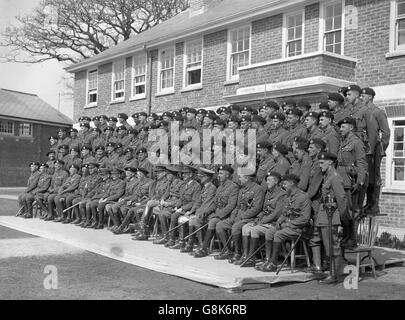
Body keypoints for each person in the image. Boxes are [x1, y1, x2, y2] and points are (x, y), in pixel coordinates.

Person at [259, 174, 311, 272]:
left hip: (298, 228)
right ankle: (268, 260)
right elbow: (284, 213)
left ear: (292, 184)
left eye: (285, 184)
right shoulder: (288, 197)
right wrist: (279, 222)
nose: (283, 186)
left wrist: (287, 224)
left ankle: (273, 264)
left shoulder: (304, 197)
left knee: (278, 234)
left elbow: (305, 218)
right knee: (270, 232)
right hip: (286, 227)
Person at [215, 171, 265, 264]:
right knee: (220, 225)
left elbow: (256, 208)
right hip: (238, 217)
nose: (239, 179)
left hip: (250, 218)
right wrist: (233, 216)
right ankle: (228, 250)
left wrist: (241, 217)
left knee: (236, 227)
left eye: (240, 177)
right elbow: (237, 206)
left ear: (247, 178)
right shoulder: (242, 189)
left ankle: (237, 253)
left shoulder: (258, 189)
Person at [314, 152, 348, 284]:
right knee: (328, 246)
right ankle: (331, 272)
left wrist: (341, 218)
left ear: (330, 163)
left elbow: (341, 198)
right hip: (324, 215)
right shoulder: (327, 176)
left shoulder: (334, 177)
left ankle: (334, 275)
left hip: (331, 216)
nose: (320, 165)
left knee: (332, 246)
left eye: (322, 163)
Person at [241, 171, 286, 268]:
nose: (267, 182)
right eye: (267, 180)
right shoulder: (268, 194)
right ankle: (247, 256)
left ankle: (262, 258)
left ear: (276, 181)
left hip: (273, 223)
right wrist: (258, 218)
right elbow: (264, 210)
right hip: (265, 221)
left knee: (254, 230)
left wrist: (262, 221)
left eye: (269, 180)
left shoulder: (282, 194)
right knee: (245, 227)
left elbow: (276, 213)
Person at [194, 165, 239, 258]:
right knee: (201, 219)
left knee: (213, 222)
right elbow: (215, 203)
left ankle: (206, 249)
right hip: (217, 213)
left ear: (228, 175)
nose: (219, 176)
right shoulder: (220, 187)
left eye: (221, 174)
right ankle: (201, 245)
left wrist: (218, 215)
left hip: (227, 215)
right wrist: (206, 212)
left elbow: (231, 205)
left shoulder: (233, 187)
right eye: (219, 173)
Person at [337, 117, 368, 249]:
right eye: (340, 127)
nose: (341, 129)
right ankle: (346, 236)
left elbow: (362, 164)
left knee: (351, 211)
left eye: (343, 127)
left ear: (351, 127)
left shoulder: (356, 143)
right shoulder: (343, 141)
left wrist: (360, 182)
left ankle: (352, 239)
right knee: (343, 211)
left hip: (351, 181)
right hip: (342, 180)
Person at [360, 87, 390, 216]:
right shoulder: (362, 111)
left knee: (374, 178)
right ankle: (367, 204)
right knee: (366, 177)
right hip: (363, 151)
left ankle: (374, 205)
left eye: (363, 95)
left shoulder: (378, 112)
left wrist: (380, 149)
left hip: (374, 151)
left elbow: (386, 132)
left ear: (370, 97)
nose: (361, 97)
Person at [181, 167, 217, 253]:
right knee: (191, 219)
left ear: (208, 177)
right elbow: (198, 202)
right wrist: (191, 211)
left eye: (202, 176)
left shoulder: (212, 188)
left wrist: (198, 213)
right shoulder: (204, 187)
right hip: (201, 212)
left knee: (195, 219)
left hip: (208, 213)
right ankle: (190, 244)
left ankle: (202, 246)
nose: (200, 178)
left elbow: (208, 204)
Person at [165, 165, 201, 250]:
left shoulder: (196, 186)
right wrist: (177, 206)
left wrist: (183, 208)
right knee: (174, 215)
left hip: (191, 210)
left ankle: (182, 242)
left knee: (180, 218)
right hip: (183, 209)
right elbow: (182, 198)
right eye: (183, 173)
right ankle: (172, 239)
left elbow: (194, 202)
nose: (183, 175)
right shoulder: (184, 185)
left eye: (186, 173)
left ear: (191, 174)